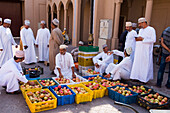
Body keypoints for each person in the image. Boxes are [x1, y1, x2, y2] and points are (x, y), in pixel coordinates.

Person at [130, 17, 156, 83]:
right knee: (137, 63)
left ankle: (144, 79)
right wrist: (138, 39)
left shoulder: (151, 29)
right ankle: (136, 77)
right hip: (139, 50)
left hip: (146, 51)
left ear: (144, 22)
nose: (139, 25)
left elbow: (153, 40)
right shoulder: (141, 30)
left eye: (140, 24)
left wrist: (143, 39)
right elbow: (140, 38)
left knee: (145, 64)